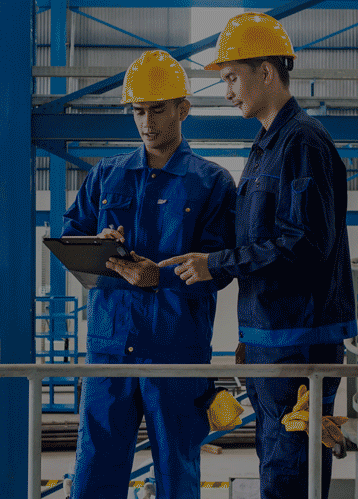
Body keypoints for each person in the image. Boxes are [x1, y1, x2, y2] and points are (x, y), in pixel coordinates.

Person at [157, 12, 357, 499]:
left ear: (266, 72)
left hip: (299, 342)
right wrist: (249, 333)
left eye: (231, 78)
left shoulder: (302, 143)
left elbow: (305, 245)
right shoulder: (267, 145)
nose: (227, 91)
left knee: (291, 472)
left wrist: (215, 263)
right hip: (274, 336)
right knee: (277, 461)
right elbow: (264, 240)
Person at [63, 49, 237, 499]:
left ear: (184, 109)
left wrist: (159, 279)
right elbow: (69, 235)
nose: (146, 122)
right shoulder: (107, 175)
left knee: (177, 474)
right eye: (138, 111)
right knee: (95, 470)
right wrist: (100, 244)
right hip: (110, 347)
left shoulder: (212, 183)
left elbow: (221, 267)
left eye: (157, 110)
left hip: (176, 350)